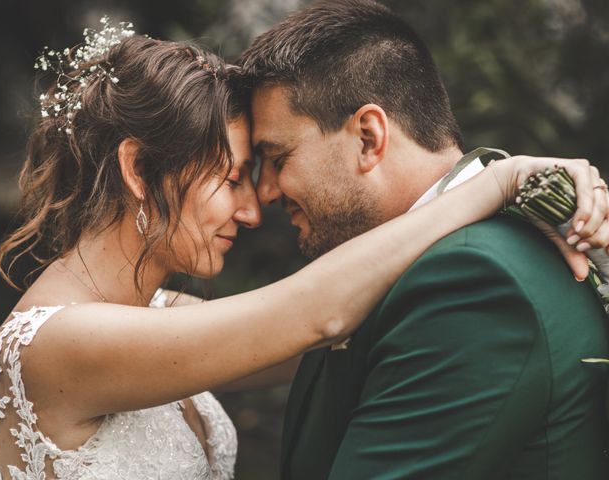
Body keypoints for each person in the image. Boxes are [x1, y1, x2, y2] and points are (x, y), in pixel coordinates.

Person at [0, 16, 607, 480]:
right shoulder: (54, 348)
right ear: (139, 171)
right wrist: (493, 181)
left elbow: (349, 320)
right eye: (232, 178)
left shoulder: (157, 312)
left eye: (270, 165)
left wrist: (558, 220)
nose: (254, 209)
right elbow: (316, 313)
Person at [236, 0, 609, 478]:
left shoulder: (473, 281)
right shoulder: (430, 261)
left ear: (368, 138)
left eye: (278, 157)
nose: (265, 191)